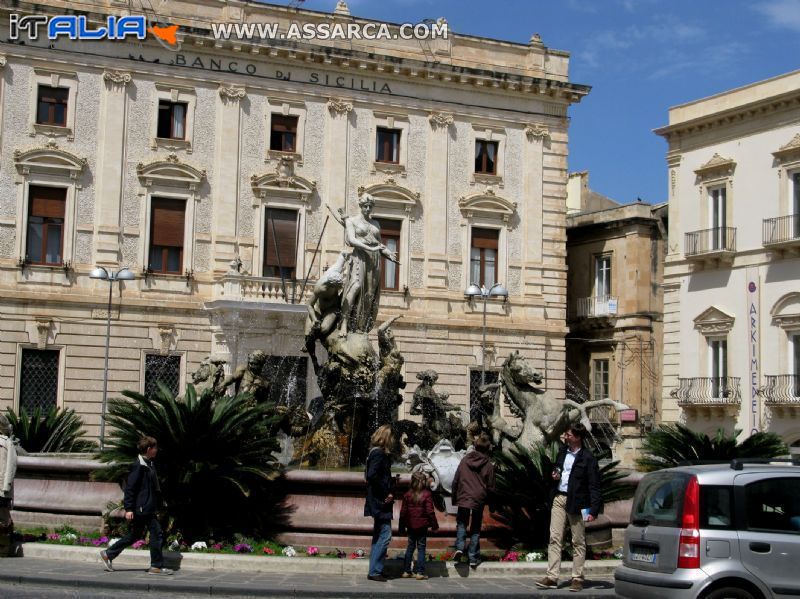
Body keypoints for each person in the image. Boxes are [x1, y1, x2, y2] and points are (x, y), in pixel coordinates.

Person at [537, 423, 602, 593]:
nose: (565, 437)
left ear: (578, 437)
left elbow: (594, 485)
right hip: (559, 497)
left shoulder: (588, 458)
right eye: (565, 435)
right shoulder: (562, 452)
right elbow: (557, 468)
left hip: (578, 502)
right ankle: (552, 576)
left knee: (578, 541)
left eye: (569, 435)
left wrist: (594, 510)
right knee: (555, 537)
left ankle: (577, 577)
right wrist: (555, 473)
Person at [100, 436, 172, 575]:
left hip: (147, 506)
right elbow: (130, 488)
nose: (157, 450)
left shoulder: (148, 464)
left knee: (135, 535)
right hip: (142, 508)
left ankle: (108, 554)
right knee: (156, 533)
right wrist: (128, 509)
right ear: (149, 449)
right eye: (155, 448)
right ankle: (156, 566)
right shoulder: (139, 466)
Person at [339, 193, 397, 337]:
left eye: (370, 206)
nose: (368, 208)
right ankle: (344, 323)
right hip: (360, 256)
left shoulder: (375, 224)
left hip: (374, 260)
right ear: (360, 206)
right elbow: (351, 240)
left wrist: (388, 252)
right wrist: (369, 248)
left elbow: (378, 244)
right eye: (365, 206)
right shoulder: (351, 221)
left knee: (369, 294)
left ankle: (361, 327)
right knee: (355, 286)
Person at [451, 431, 496, 568]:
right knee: (475, 527)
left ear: (475, 447)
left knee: (462, 523)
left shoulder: (465, 460)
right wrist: (493, 504)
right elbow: (491, 486)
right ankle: (472, 557)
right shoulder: (488, 465)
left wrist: (454, 497)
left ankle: (459, 547)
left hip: (464, 496)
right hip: (479, 498)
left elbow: (456, 480)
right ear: (487, 449)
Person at [364, 424, 395, 582]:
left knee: (379, 535)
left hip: (377, 499)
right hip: (380, 500)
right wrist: (386, 492)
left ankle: (376, 569)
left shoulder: (373, 453)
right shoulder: (379, 454)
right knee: (385, 535)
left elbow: (371, 475)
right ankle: (375, 570)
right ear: (386, 438)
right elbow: (371, 475)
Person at [399, 471, 439, 580]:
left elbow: (403, 512)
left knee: (410, 547)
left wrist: (401, 527)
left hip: (411, 525)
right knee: (421, 548)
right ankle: (420, 573)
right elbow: (430, 511)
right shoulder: (427, 494)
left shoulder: (407, 494)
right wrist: (435, 526)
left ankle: (406, 571)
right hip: (422, 526)